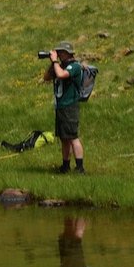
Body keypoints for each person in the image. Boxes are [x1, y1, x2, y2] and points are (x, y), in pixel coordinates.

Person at [43, 41, 85, 174]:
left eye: (61, 52)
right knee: (64, 137)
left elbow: (62, 75)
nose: (59, 54)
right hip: (60, 106)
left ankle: (80, 167)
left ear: (67, 53)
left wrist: (55, 62)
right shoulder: (60, 66)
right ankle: (65, 165)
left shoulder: (74, 66)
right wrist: (53, 63)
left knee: (73, 136)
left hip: (70, 106)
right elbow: (46, 78)